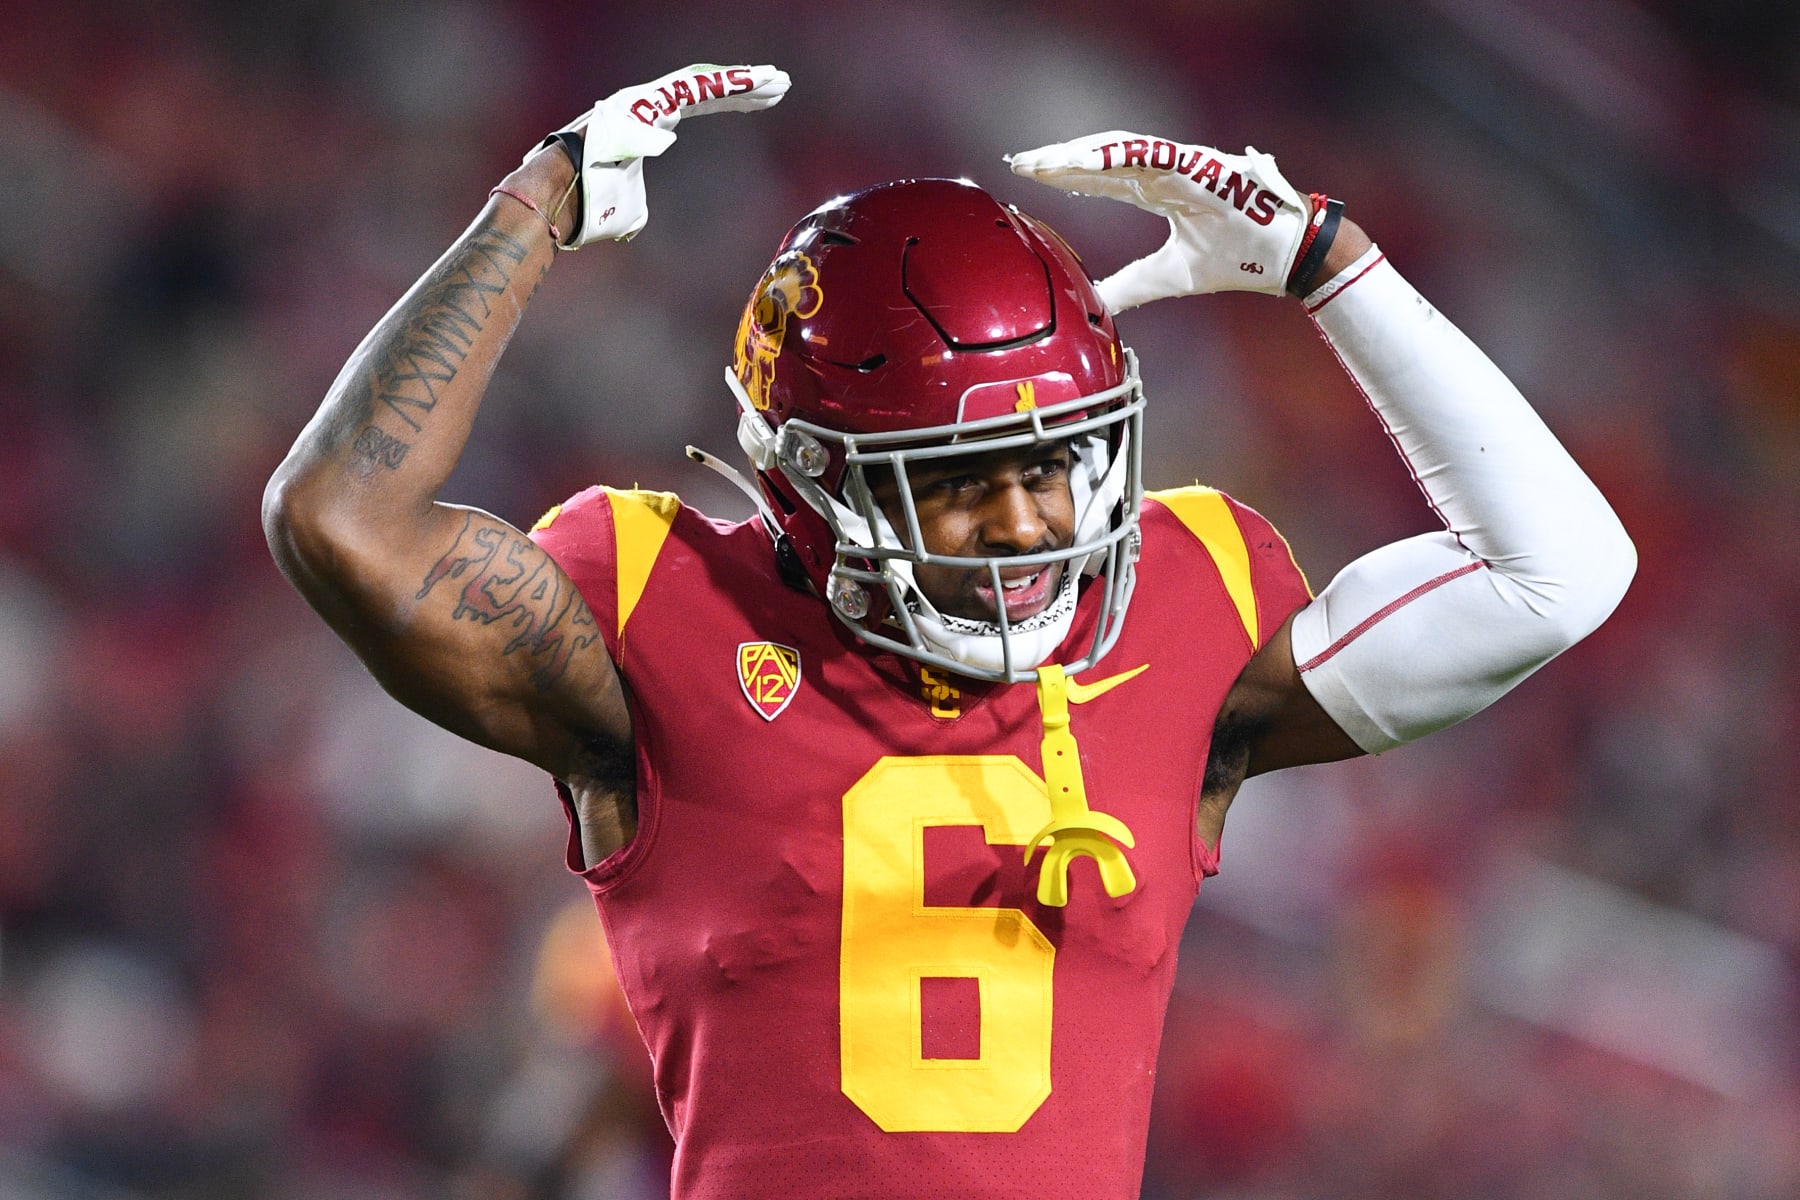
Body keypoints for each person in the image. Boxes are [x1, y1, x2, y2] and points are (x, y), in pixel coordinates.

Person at [264, 64, 1635, 1200]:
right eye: (962, 481)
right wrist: (534, 207)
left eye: (1058, 466)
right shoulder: (663, 613)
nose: (1033, 521)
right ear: (815, 481)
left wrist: (1332, 267)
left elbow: (1557, 572)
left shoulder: (1186, 605)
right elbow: (339, 519)